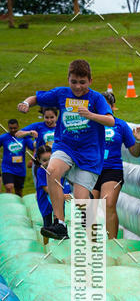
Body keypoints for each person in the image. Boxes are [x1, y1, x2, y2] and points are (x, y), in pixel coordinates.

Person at [17, 58, 114, 240]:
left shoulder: (96, 98)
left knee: (80, 202)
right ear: (68, 79)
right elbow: (37, 98)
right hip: (66, 146)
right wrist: (26, 103)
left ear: (90, 81)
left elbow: (110, 120)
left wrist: (91, 115)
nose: (77, 87)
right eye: (74, 82)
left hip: (89, 154)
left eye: (82, 82)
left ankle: (90, 217)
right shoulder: (62, 94)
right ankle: (60, 224)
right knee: (51, 170)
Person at [93, 91, 140, 238]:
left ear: (112, 107)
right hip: (91, 169)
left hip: (112, 169)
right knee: (88, 207)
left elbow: (135, 152)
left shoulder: (120, 125)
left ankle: (112, 243)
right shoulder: (89, 125)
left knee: (108, 203)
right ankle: (91, 244)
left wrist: (138, 140)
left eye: (106, 107)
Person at [34, 144, 72, 245]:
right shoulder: (41, 171)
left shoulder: (58, 169)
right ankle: (45, 246)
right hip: (45, 202)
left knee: (59, 220)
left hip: (58, 200)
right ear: (38, 160)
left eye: (50, 159)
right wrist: (62, 196)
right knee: (47, 224)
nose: (48, 163)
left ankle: (58, 243)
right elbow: (46, 188)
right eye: (44, 160)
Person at [0, 119, 34, 196]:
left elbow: (33, 148)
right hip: (7, 168)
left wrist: (32, 159)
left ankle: (19, 207)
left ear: (18, 126)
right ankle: (9, 205)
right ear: (8, 127)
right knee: (9, 187)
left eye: (15, 128)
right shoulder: (3, 138)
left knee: (19, 192)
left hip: (20, 169)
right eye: (11, 128)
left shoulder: (24, 137)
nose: (13, 130)